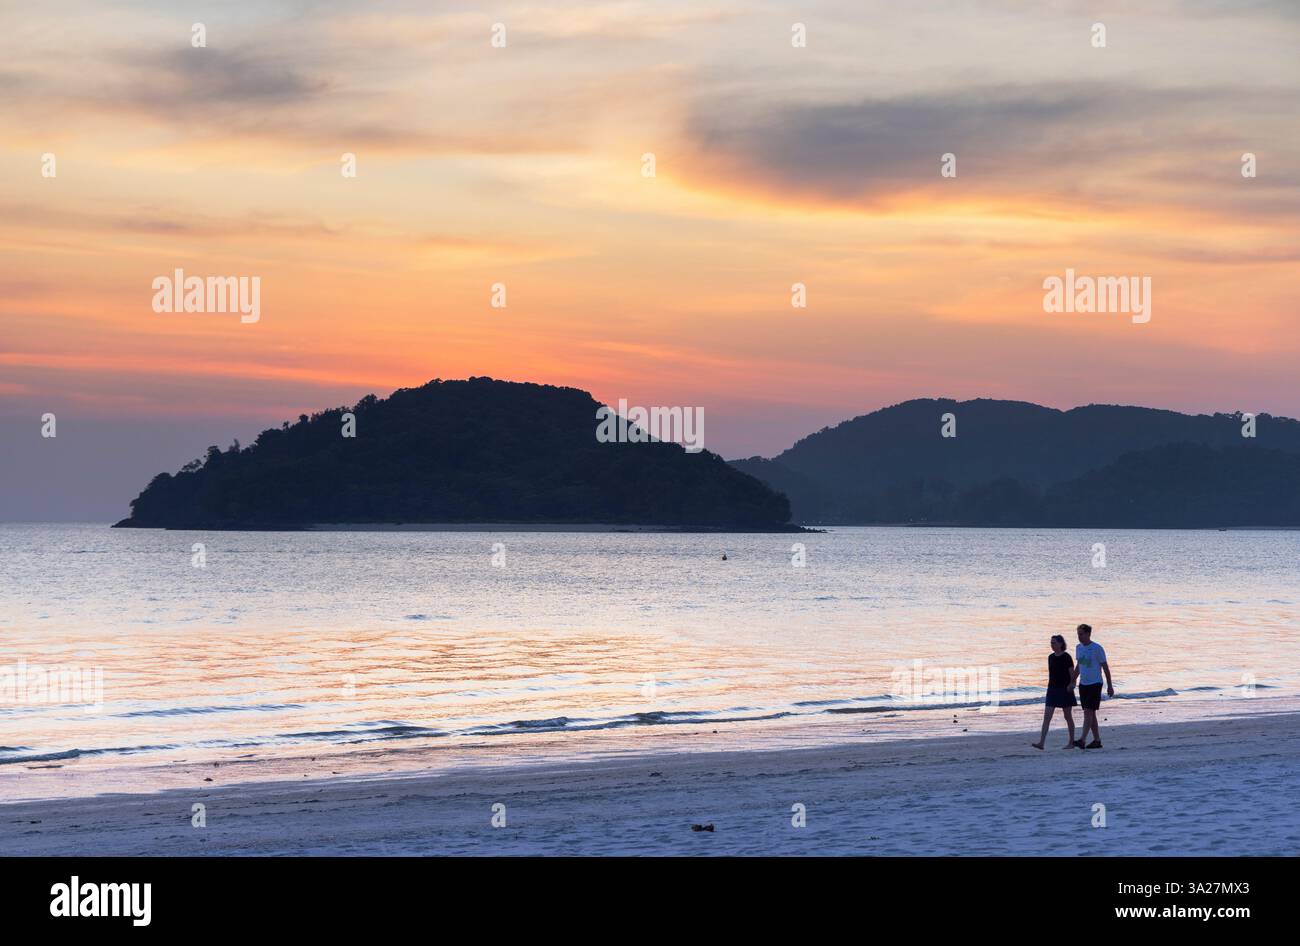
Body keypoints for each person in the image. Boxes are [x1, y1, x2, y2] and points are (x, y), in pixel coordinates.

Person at [1069, 623, 1114, 748]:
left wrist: (1110, 686)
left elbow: (1105, 668)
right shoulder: (1078, 648)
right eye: (1078, 634)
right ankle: (1097, 740)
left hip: (1095, 683)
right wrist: (1073, 681)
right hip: (1083, 684)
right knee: (1090, 713)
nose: (1079, 637)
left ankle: (1082, 739)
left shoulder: (1097, 648)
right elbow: (1079, 666)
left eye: (1081, 634)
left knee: (1088, 711)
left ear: (1088, 634)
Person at [1031, 634, 1076, 749]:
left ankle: (1071, 742)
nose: (1052, 645)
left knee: (1067, 716)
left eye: (1054, 642)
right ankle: (1041, 743)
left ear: (1061, 644)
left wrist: (1072, 684)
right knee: (1047, 717)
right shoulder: (1050, 657)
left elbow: (1072, 673)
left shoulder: (1066, 657)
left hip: (1065, 689)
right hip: (1052, 689)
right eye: (1051, 643)